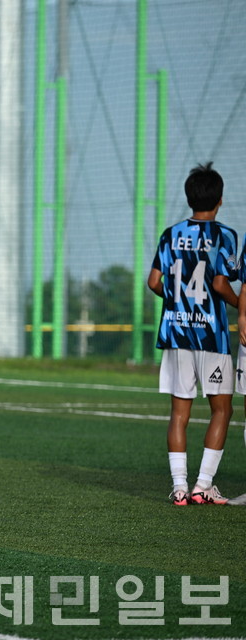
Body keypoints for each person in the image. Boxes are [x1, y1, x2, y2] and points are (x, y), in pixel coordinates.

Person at [148, 162, 238, 506]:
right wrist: (238, 305)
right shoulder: (224, 235)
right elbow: (220, 282)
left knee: (179, 412)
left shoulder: (170, 234)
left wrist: (176, 303)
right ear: (219, 200)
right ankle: (204, 484)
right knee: (221, 410)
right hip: (211, 335)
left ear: (189, 198)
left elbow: (154, 282)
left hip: (175, 332)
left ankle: (180, 487)